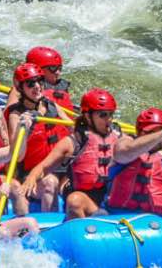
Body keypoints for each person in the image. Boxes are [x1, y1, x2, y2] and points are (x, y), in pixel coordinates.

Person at [21, 88, 121, 220]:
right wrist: (31, 178)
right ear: (87, 116)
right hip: (87, 199)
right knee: (74, 201)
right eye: (103, 115)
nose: (108, 120)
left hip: (112, 199)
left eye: (110, 114)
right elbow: (44, 167)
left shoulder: (119, 136)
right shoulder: (73, 141)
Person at [3, 63, 73, 211]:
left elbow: (73, 128)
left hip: (59, 166)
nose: (37, 86)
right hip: (31, 172)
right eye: (30, 84)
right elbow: (19, 155)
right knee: (50, 183)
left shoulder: (50, 104)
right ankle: (48, 227)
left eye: (39, 81)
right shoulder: (16, 115)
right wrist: (25, 128)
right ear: (21, 88)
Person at [8, 46, 74, 110]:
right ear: (37, 69)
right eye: (53, 68)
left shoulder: (61, 85)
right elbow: (9, 112)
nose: (58, 72)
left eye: (59, 68)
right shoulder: (21, 89)